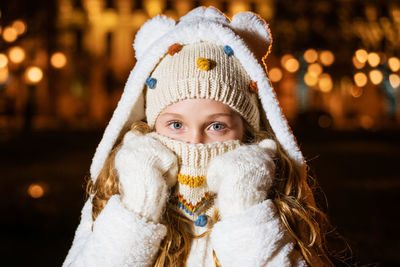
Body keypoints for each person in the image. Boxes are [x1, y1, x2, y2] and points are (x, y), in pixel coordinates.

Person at [63, 6, 337, 267]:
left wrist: (246, 212)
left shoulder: (275, 199)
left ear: (247, 132)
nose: (194, 142)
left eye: (216, 126)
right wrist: (137, 210)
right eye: (176, 125)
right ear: (150, 126)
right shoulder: (117, 196)